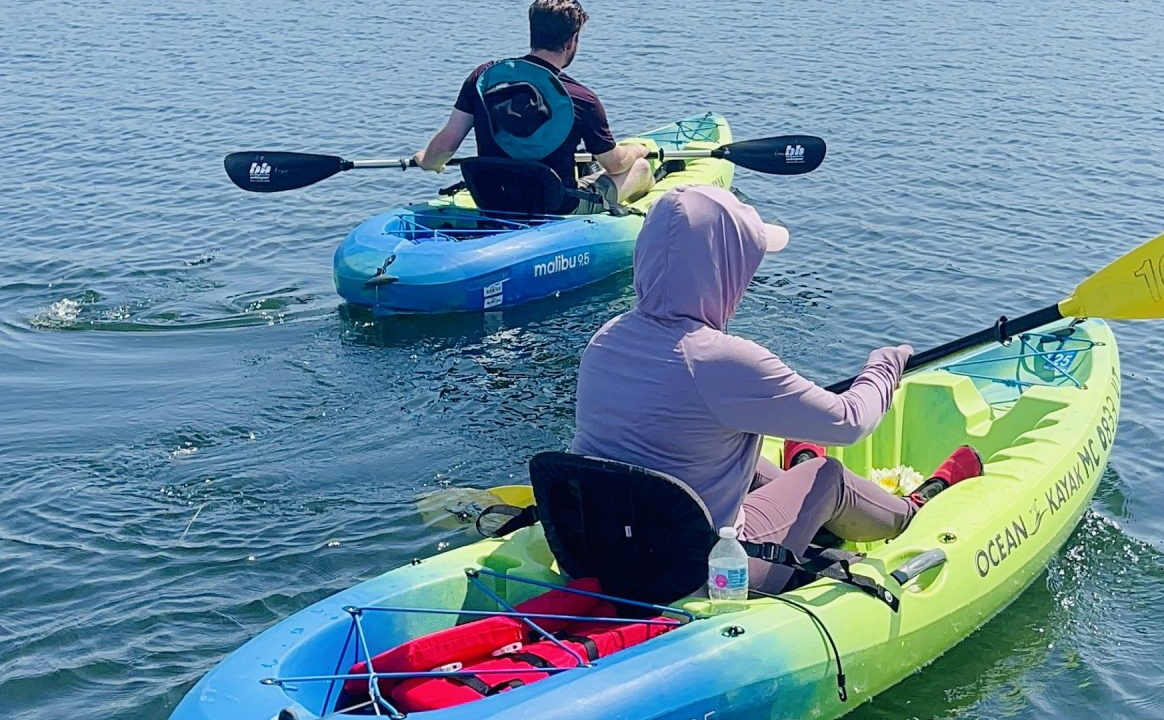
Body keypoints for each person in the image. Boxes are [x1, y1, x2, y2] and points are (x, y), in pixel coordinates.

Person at [571, 185, 982, 593]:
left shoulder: (606, 340)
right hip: (706, 574)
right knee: (826, 475)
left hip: (611, 551)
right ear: (723, 266)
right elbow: (850, 421)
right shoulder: (722, 359)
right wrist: (884, 368)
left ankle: (804, 483)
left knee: (745, 462)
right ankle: (908, 514)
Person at [410, 0, 653, 213]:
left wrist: (426, 161)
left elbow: (446, 144)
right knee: (640, 168)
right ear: (571, 41)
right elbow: (614, 163)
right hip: (556, 207)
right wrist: (637, 150)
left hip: (491, 198)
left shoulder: (483, 77)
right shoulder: (582, 98)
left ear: (533, 33)